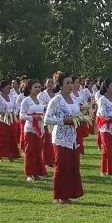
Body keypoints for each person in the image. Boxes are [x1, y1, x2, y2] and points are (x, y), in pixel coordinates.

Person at [43, 74, 84, 204]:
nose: (70, 85)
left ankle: (70, 194)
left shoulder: (74, 99)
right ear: (60, 85)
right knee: (62, 167)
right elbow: (47, 119)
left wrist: (80, 117)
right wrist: (64, 121)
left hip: (73, 137)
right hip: (61, 138)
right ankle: (59, 196)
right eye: (67, 83)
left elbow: (76, 115)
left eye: (71, 82)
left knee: (72, 166)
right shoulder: (56, 100)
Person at [20, 79, 48, 182]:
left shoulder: (40, 100)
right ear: (30, 88)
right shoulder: (26, 101)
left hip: (39, 129)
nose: (38, 89)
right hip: (30, 129)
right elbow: (22, 115)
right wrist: (33, 117)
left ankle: (37, 173)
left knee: (38, 152)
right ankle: (29, 174)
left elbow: (42, 113)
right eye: (35, 87)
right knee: (30, 152)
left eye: (39, 87)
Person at [0, 80, 21, 161]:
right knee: (2, 138)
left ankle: (11, 155)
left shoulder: (12, 98)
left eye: (9, 88)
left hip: (11, 120)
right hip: (2, 121)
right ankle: (0, 155)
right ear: (2, 89)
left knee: (12, 138)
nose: (9, 89)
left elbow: (16, 108)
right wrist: (0, 112)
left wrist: (14, 113)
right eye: (7, 88)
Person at [37, 77, 57, 167]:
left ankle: (54, 159)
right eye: (48, 82)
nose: (50, 84)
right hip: (46, 120)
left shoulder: (57, 95)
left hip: (56, 120)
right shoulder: (42, 95)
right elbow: (38, 106)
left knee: (54, 141)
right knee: (47, 141)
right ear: (45, 84)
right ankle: (46, 160)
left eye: (52, 82)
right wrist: (46, 107)